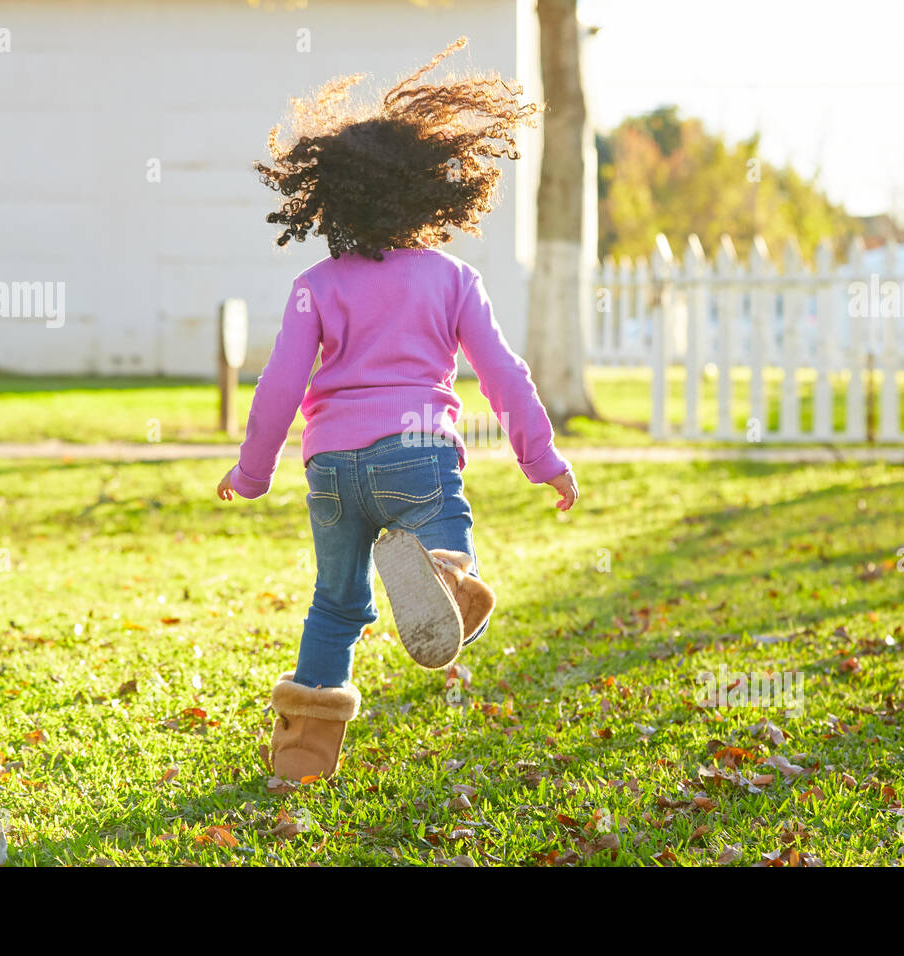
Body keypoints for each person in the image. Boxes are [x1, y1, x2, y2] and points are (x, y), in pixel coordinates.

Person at [217, 38, 579, 784]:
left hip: (331, 468)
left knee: (335, 605)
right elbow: (503, 374)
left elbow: (278, 388)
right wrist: (541, 458)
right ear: (429, 193)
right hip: (416, 448)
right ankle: (443, 577)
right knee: (445, 535)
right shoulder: (451, 278)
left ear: (331, 199)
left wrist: (251, 474)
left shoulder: (316, 286)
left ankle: (301, 756)